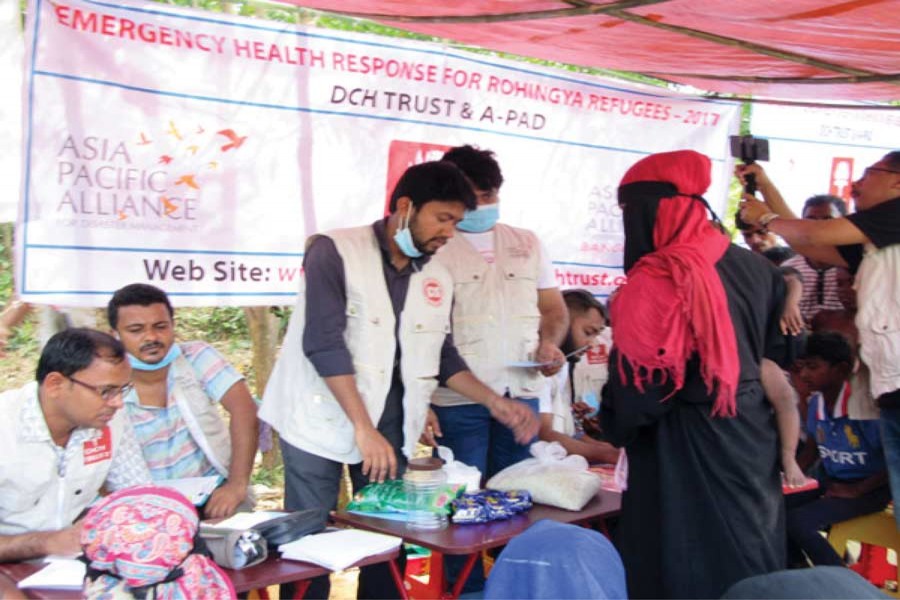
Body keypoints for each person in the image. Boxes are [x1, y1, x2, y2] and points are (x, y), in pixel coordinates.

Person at [259, 160, 539, 599]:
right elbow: (323, 343)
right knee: (308, 540)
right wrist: (362, 427)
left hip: (390, 419)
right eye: (442, 218)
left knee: (386, 537)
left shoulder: (437, 275)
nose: (449, 233)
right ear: (405, 207)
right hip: (317, 415)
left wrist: (494, 401)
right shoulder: (335, 250)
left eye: (456, 222)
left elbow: (442, 354)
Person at [600, 150, 789, 598]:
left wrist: (614, 425)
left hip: (682, 448)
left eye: (630, 211)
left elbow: (640, 392)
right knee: (749, 553)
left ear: (650, 211)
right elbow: (778, 355)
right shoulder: (757, 268)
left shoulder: (658, 279)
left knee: (684, 564)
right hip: (750, 438)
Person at [738, 151, 900, 528]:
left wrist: (765, 217)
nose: (855, 185)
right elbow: (808, 243)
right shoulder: (880, 239)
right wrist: (766, 187)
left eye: (868, 174)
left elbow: (812, 233)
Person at [431, 144, 568, 479]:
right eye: (471, 197)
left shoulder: (527, 243)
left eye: (488, 195)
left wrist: (550, 343)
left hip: (521, 392)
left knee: (517, 491)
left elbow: (553, 309)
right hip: (458, 399)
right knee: (463, 492)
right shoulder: (434, 246)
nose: (480, 205)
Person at [107, 283, 258, 519]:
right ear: (115, 335)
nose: (151, 337)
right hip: (140, 506)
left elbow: (244, 410)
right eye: (136, 330)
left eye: (160, 327)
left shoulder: (195, 356)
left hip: (210, 496)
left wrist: (236, 485)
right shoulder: (104, 381)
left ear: (172, 325)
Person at [0, 328, 151, 562]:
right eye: (106, 391)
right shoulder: (5, 427)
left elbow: (138, 497)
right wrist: (47, 542)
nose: (119, 403)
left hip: (69, 564)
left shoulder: (110, 420)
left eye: (123, 389)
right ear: (55, 384)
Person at [787, 332, 889, 567]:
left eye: (813, 367)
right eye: (803, 367)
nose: (804, 374)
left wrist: (856, 490)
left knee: (799, 522)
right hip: (834, 482)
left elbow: (893, 460)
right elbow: (811, 451)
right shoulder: (817, 403)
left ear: (841, 369)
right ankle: (800, 571)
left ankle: (841, 578)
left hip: (871, 489)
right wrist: (788, 478)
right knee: (774, 509)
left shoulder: (863, 406)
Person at [539, 289, 618, 464]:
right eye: (588, 332)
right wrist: (606, 454)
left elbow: (569, 433)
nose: (592, 344)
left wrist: (609, 449)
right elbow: (544, 433)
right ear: (563, 323)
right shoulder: (541, 370)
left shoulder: (564, 366)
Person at [781, 195, 847, 325]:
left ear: (844, 223)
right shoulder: (790, 267)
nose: (817, 226)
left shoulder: (854, 267)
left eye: (828, 220)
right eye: (810, 220)